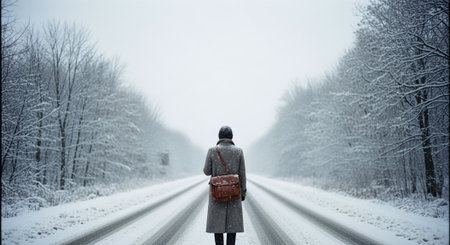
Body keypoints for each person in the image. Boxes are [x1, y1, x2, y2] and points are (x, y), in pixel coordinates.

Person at [204, 126, 247, 245]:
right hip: (233, 192)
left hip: (217, 193)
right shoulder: (238, 151)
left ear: (219, 137)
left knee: (217, 227)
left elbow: (207, 171)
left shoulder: (212, 151)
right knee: (232, 228)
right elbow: (242, 173)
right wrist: (242, 192)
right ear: (231, 137)